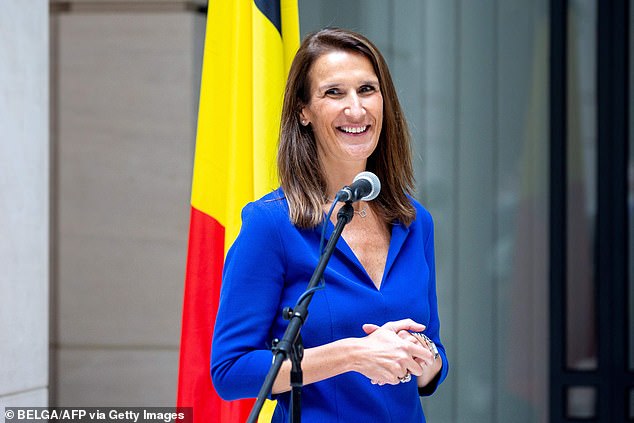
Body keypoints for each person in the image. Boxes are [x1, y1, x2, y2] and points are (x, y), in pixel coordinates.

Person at [211, 28, 448, 422]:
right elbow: (231, 371)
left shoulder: (414, 221)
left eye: (367, 90)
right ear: (303, 111)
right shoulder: (271, 224)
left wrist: (421, 354)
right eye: (334, 93)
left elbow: (433, 364)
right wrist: (353, 354)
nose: (356, 109)